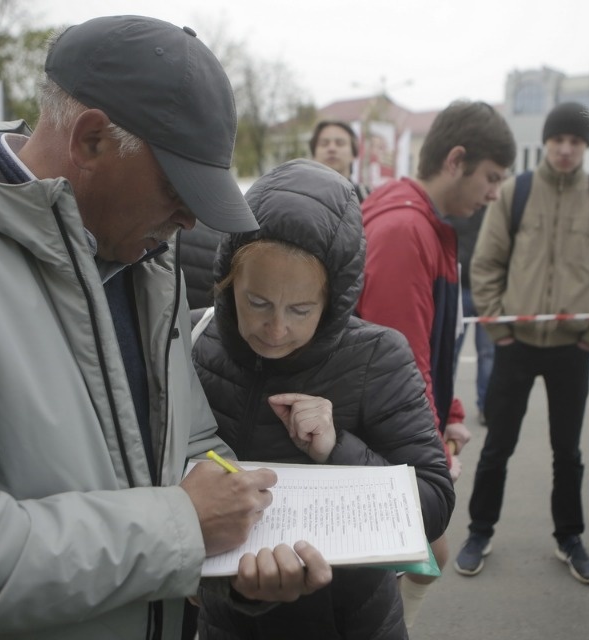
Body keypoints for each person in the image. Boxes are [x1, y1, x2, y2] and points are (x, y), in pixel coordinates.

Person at [0, 16, 332, 640]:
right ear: (92, 139)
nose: (189, 220)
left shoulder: (144, 254)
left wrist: (244, 548)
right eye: (179, 187)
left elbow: (188, 444)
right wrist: (183, 526)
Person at [191, 158, 454, 639]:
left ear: (334, 301)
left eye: (300, 309)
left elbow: (434, 502)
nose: (276, 329)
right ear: (229, 283)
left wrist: (340, 449)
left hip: (346, 624)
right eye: (257, 302)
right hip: (223, 622)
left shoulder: (378, 357)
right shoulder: (192, 339)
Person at [456, 101, 589, 585]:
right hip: (516, 344)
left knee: (567, 451)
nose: (565, 149)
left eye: (576, 141)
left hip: (572, 350)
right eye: (559, 139)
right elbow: (487, 265)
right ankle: (479, 531)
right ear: (548, 142)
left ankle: (569, 538)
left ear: (585, 147)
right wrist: (499, 329)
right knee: (498, 446)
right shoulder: (516, 192)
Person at [356, 100, 515, 627]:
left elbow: (432, 340)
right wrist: (428, 453)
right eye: (491, 177)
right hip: (383, 442)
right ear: (456, 160)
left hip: (395, 435)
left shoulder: (426, 222)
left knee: (419, 564)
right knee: (425, 561)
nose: (494, 193)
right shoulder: (406, 229)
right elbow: (398, 364)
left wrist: (448, 409)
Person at [449, 208, 496, 426]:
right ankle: (446, 404)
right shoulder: (462, 205)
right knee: (454, 352)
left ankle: (486, 406)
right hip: (465, 288)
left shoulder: (487, 206)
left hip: (482, 289)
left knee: (486, 353)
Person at [309, 120, 370, 201]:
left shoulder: (368, 197)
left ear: (353, 154)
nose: (332, 148)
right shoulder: (298, 195)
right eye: (324, 143)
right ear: (314, 155)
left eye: (340, 143)